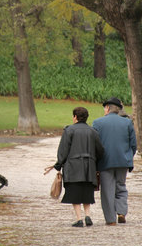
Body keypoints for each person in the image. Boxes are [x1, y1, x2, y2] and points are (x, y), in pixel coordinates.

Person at [45, 107, 104, 227]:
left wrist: (58, 164)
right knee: (87, 192)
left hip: (73, 167)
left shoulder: (69, 130)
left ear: (75, 117)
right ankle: (88, 215)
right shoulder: (93, 131)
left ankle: (79, 219)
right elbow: (100, 150)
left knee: (75, 192)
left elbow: (63, 150)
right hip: (89, 167)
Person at [92, 97, 137, 225]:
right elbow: (133, 144)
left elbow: (95, 144)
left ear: (107, 108)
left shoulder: (97, 123)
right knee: (121, 186)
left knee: (107, 191)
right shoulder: (127, 123)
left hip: (105, 162)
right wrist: (128, 157)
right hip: (123, 161)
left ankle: (111, 219)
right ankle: (122, 212)